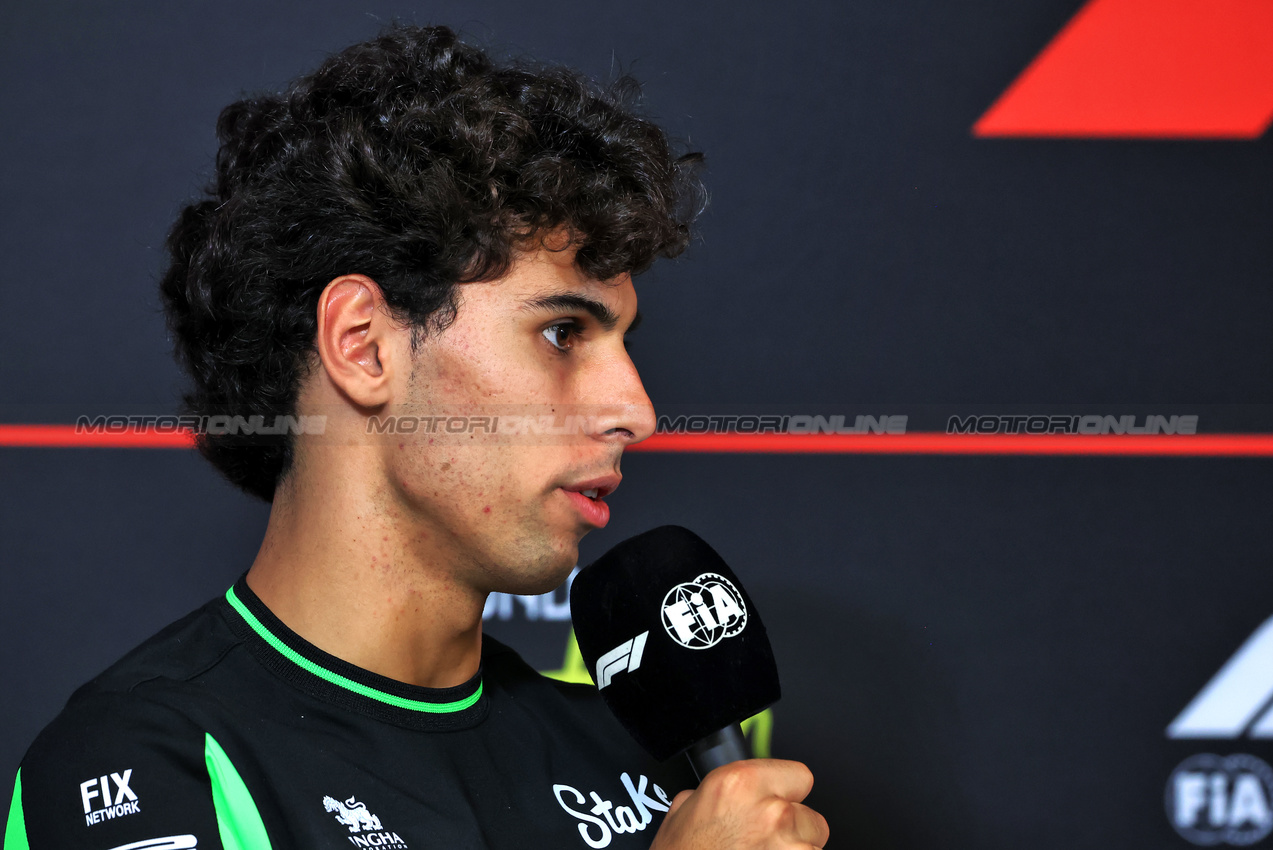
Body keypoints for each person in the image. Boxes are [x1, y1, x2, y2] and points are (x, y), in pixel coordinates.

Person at [4, 24, 829, 850]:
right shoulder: (143, 762)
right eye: (562, 334)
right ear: (363, 345)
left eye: (625, 344)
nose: (635, 412)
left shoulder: (629, 761)